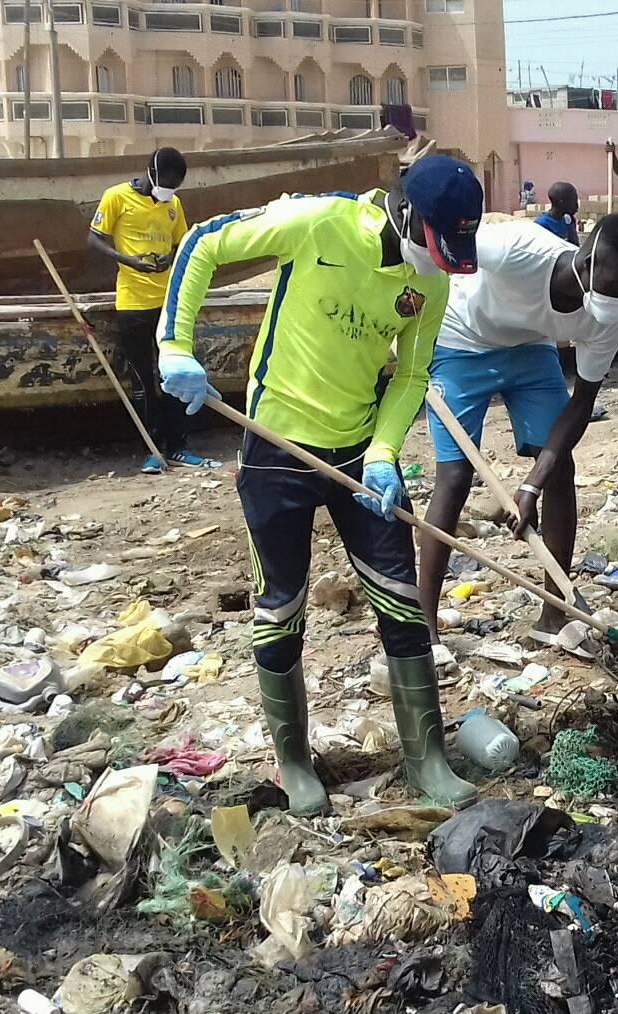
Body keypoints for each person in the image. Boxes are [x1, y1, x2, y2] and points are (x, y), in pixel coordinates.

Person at [154, 154, 486, 816]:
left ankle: (426, 760)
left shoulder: (431, 284)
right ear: (409, 215)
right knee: (282, 606)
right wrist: (174, 343)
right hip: (276, 442)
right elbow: (202, 244)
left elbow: (411, 378)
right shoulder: (318, 223)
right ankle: (296, 764)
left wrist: (385, 453)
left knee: (399, 598)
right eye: (438, 245)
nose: (443, 263)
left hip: (360, 454)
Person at [416, 214, 618, 653]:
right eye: (613, 286)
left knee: (559, 468)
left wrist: (532, 484)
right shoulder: (513, 248)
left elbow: (581, 402)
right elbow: (437, 248)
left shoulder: (607, 319)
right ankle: (424, 628)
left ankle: (553, 615)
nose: (617, 299)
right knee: (454, 478)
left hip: (530, 348)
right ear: (587, 259)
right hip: (461, 338)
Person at [88, 147, 203, 473]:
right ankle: (152, 449)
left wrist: (170, 256)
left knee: (176, 373)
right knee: (143, 379)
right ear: (150, 173)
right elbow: (94, 240)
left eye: (173, 187)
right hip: (133, 303)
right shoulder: (116, 197)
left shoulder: (173, 204)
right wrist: (129, 261)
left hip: (168, 302)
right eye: (164, 184)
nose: (167, 192)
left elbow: (182, 240)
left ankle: (179, 445)